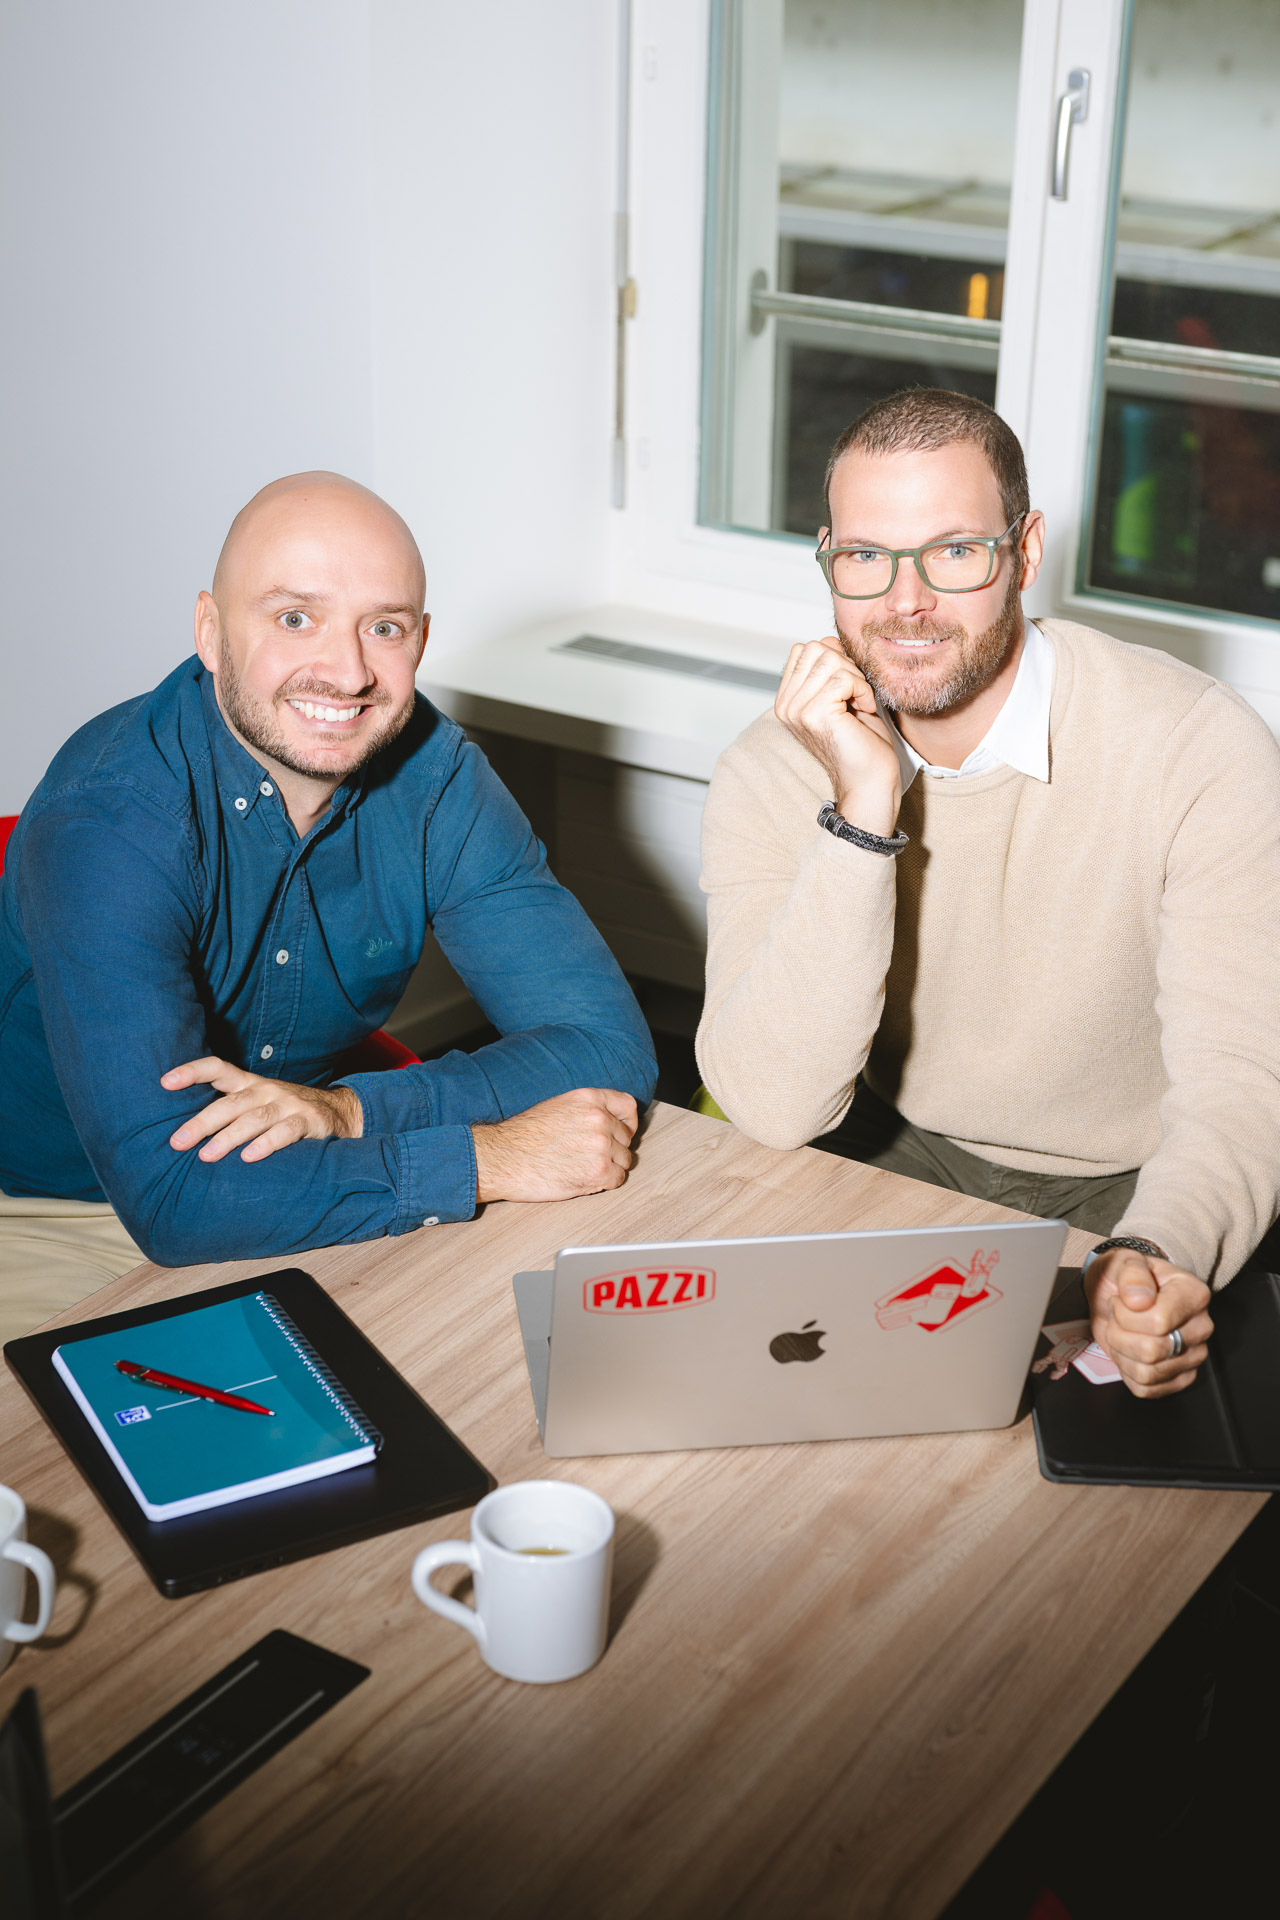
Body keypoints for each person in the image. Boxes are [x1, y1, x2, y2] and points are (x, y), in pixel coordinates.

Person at [696, 389, 1280, 1400]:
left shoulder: (1197, 745)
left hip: (1132, 1183)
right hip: (894, 1149)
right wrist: (862, 811)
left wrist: (1151, 1252)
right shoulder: (768, 768)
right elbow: (772, 1106)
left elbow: (1239, 1086)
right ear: (829, 559)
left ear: (1024, 549)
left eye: (953, 551)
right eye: (866, 558)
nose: (904, 602)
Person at [0, 472, 656, 1342]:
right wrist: (482, 1158)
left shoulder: (438, 779)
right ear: (210, 630)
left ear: (420, 641)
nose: (347, 672)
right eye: (294, 617)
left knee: (511, 1367)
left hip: (308, 1157)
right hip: (50, 1206)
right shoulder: (111, 818)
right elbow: (176, 1201)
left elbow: (606, 1050)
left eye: (382, 628)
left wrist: (350, 1113)